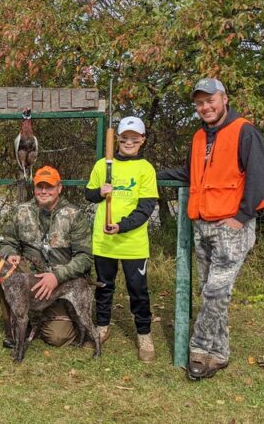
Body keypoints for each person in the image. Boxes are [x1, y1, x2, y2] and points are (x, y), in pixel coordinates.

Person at [158, 78, 264, 380]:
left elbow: (261, 178)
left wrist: (241, 216)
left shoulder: (244, 131)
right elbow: (189, 173)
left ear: (224, 99)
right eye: (199, 103)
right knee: (212, 293)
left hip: (231, 227)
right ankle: (219, 354)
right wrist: (148, 174)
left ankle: (198, 350)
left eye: (210, 100)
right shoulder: (198, 137)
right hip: (203, 226)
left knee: (214, 292)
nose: (205, 107)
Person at [85, 116, 158, 362]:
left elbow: (146, 207)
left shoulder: (146, 169)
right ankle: (102, 326)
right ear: (117, 139)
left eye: (134, 139)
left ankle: (144, 334)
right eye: (125, 138)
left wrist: (122, 226)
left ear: (142, 140)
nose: (129, 142)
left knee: (138, 290)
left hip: (132, 244)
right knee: (104, 287)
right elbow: (89, 194)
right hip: (104, 241)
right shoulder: (102, 165)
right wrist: (99, 192)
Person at [0, 165, 93, 348]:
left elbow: (85, 257)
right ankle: (17, 326)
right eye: (39, 186)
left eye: (49, 187)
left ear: (59, 188)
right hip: (30, 282)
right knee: (2, 275)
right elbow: (7, 241)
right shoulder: (21, 211)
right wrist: (11, 254)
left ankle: (49, 317)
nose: (43, 191)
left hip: (61, 286)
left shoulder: (74, 215)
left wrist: (57, 277)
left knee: (58, 338)